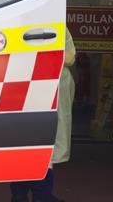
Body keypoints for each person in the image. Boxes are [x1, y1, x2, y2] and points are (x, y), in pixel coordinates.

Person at [11, 29, 77, 202]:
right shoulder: (54, 24)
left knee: (21, 143)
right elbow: (69, 57)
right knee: (45, 143)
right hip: (49, 81)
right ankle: (41, 195)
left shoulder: (14, 20)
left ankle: (20, 193)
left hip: (20, 82)